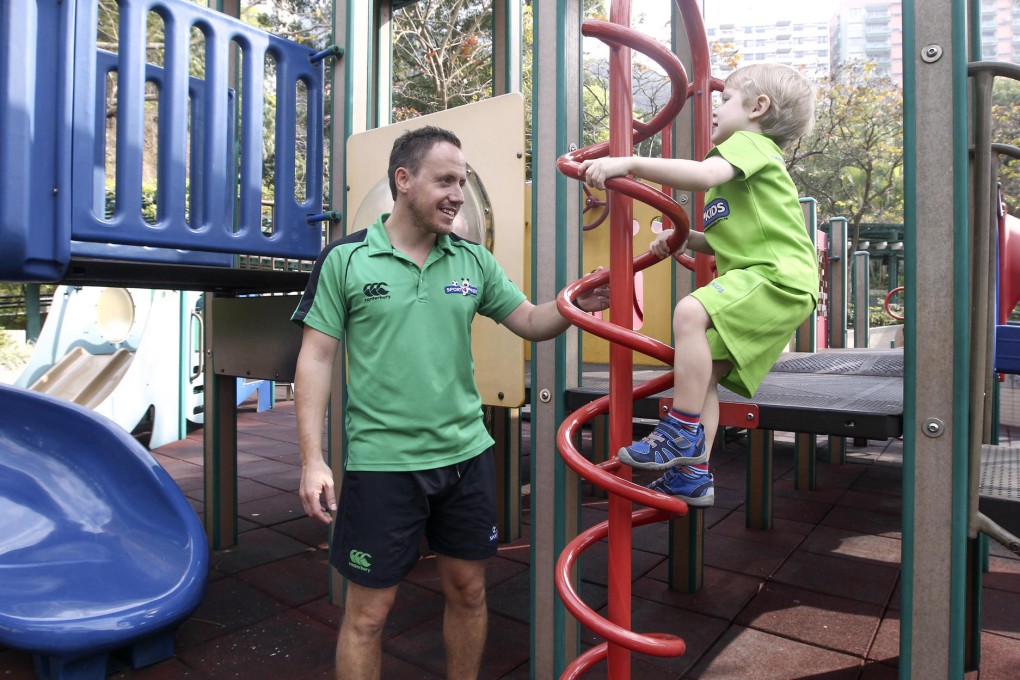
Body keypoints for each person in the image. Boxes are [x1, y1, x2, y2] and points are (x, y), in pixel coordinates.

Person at [292, 125, 608, 680]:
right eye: (445, 180)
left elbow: (531, 321)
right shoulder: (345, 260)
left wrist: (575, 302)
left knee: (469, 591)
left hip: (465, 457)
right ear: (403, 180)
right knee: (368, 614)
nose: (458, 194)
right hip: (382, 464)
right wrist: (313, 459)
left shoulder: (471, 261)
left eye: (461, 181)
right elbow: (315, 360)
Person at [578, 63, 819, 508]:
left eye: (726, 99)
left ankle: (680, 432)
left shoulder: (751, 144)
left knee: (689, 311)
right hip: (776, 278)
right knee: (703, 376)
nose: (714, 109)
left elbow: (704, 175)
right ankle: (694, 474)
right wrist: (688, 238)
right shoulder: (745, 172)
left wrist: (628, 162)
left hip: (775, 275)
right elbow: (731, 239)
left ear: (758, 108)